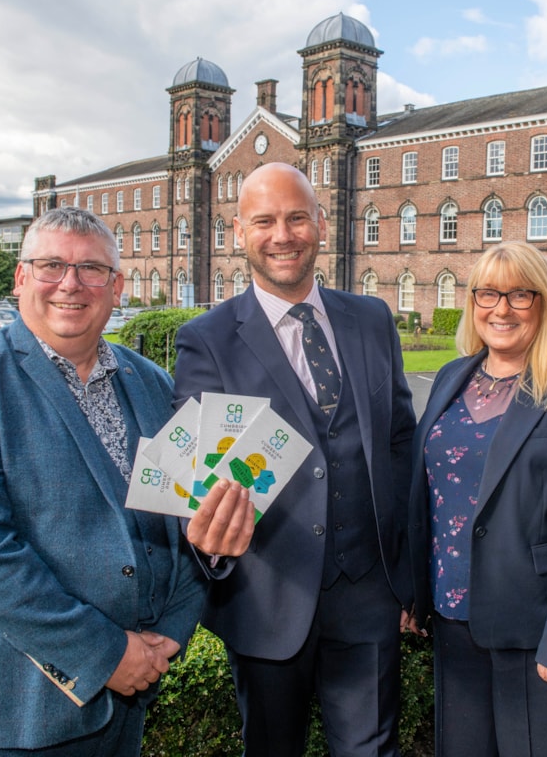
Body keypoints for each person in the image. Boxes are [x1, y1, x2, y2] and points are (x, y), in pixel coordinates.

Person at [0, 207, 237, 756]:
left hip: (126, 704)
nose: (70, 283)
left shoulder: (153, 384)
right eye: (50, 266)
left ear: (116, 286)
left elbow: (186, 525)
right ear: (20, 279)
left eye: (91, 269)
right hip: (14, 714)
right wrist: (106, 655)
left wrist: (170, 636)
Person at [175, 162, 417, 757]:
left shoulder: (372, 318)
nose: (282, 235)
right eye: (264, 221)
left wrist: (406, 572)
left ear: (321, 225)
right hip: (269, 598)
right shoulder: (207, 338)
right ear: (239, 231)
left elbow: (400, 441)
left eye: (296, 218)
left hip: (368, 593)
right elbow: (194, 480)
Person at [407, 241, 547, 757]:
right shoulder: (450, 379)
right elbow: (430, 498)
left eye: (519, 295)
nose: (500, 309)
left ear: (544, 302)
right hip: (454, 619)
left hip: (537, 628)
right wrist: (414, 591)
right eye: (487, 294)